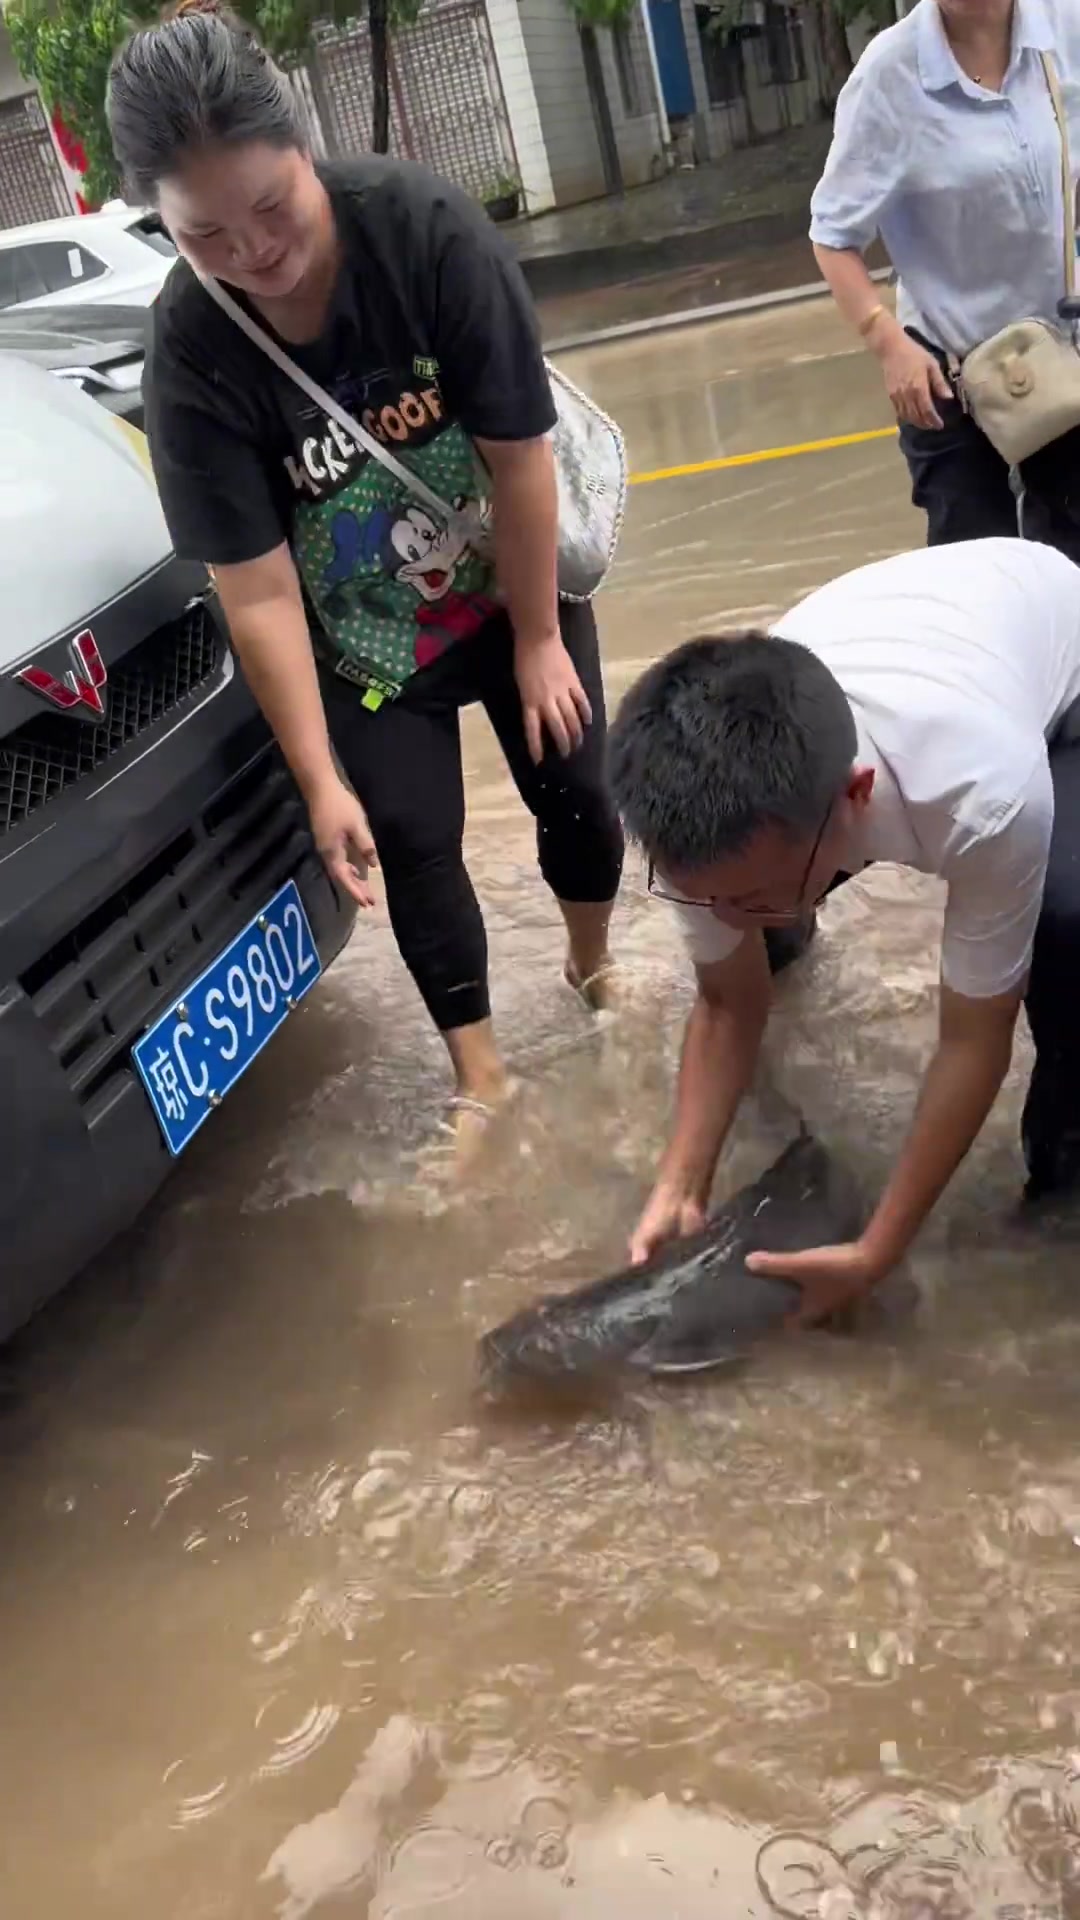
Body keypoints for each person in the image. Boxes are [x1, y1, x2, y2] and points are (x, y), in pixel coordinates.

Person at [106, 0, 624, 1124]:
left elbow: (519, 460)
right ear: (161, 221)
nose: (252, 254)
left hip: (505, 582)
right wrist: (316, 775)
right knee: (413, 838)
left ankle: (592, 966)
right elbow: (256, 589)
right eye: (203, 235)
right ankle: (481, 1082)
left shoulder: (428, 234)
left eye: (269, 207)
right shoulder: (193, 346)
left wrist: (538, 637)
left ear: (304, 145)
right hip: (371, 640)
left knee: (576, 784)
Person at [608, 537, 1080, 1326]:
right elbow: (726, 1003)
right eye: (703, 896)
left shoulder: (982, 794)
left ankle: (1063, 1187)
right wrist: (679, 1183)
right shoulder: (696, 817)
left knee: (1064, 930)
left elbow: (973, 1036)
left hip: (1061, 660)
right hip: (904, 636)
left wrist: (877, 1250)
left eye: (746, 894)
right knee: (765, 941)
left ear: (857, 800)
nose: (720, 915)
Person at [810, 0, 1080, 556]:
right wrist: (889, 345)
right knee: (978, 575)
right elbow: (833, 235)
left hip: (1063, 356)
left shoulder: (1064, 26)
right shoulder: (891, 73)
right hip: (949, 373)